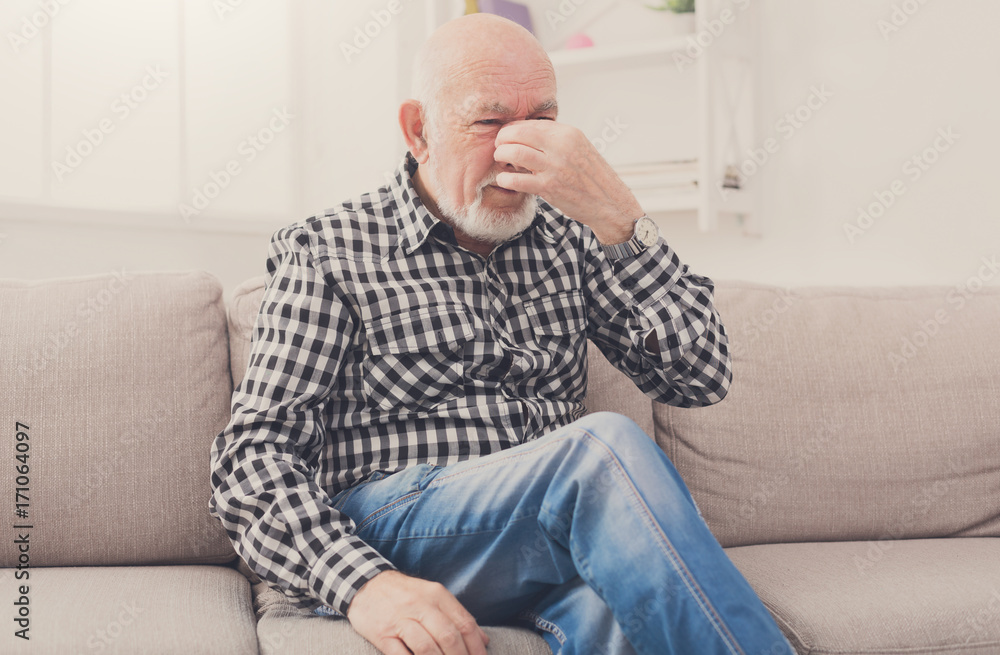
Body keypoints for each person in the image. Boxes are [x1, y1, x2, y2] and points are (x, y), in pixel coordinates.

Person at [209, 13, 793, 655]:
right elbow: (252, 458)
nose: (516, 148)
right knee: (598, 450)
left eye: (541, 120)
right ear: (418, 130)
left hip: (544, 543)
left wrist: (621, 218)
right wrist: (366, 587)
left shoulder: (575, 240)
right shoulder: (331, 249)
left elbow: (700, 375)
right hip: (399, 524)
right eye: (488, 122)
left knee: (627, 619)